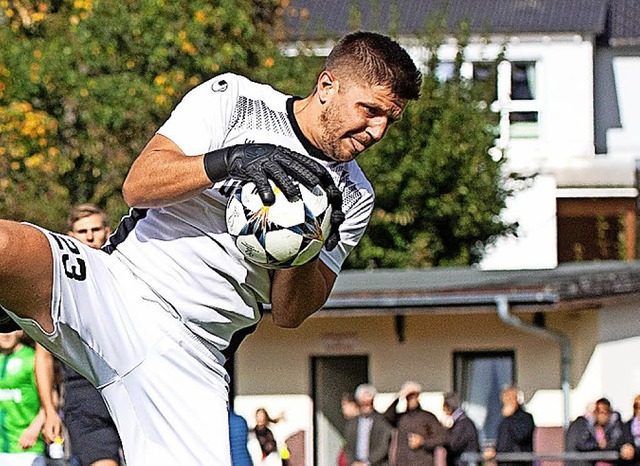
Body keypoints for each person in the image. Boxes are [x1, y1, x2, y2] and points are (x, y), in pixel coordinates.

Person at [0, 30, 422, 465]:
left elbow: (291, 313)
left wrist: (306, 245)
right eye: (370, 111)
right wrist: (231, 159)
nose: (378, 131)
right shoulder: (235, 99)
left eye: (390, 119)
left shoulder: (353, 195)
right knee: (6, 246)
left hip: (195, 353)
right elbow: (138, 186)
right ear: (327, 85)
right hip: (116, 288)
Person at [34, 204, 123, 466]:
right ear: (70, 236)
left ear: (108, 232)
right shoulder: (56, 285)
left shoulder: (125, 273)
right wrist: (50, 411)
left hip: (132, 389)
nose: (90, 236)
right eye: (82, 231)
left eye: (96, 229)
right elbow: (44, 355)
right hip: (85, 398)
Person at [0, 330, 46, 465]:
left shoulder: (32, 358)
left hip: (26, 448)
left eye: (10, 328)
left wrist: (36, 427)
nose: (6, 334)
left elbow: (52, 398)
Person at [383, 381, 448, 466]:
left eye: (414, 396)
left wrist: (423, 442)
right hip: (402, 462)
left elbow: (442, 438)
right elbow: (387, 416)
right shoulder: (401, 418)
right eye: (409, 397)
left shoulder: (427, 417)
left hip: (422, 462)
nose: (412, 399)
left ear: (418, 397)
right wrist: (399, 396)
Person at [484, 386, 535, 466]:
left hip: (518, 462)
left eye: (510, 399)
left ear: (516, 400)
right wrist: (494, 451)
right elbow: (503, 441)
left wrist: (510, 417)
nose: (507, 403)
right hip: (504, 462)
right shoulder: (504, 421)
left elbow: (520, 436)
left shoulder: (526, 418)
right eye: (505, 400)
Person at [344, 383, 393, 466]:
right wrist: (353, 462)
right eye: (363, 403)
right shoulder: (352, 423)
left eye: (368, 403)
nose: (365, 406)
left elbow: (383, 446)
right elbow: (348, 446)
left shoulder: (382, 421)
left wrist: (366, 463)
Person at [575, 397, 632, 466]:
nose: (601, 416)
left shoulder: (616, 427)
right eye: (598, 412)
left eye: (604, 412)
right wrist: (597, 444)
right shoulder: (590, 427)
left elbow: (617, 443)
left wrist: (606, 444)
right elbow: (581, 444)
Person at [442, 392, 480, 466]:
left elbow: (453, 445)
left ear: (449, 407)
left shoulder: (462, 423)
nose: (443, 409)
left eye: (444, 406)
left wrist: (444, 434)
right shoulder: (463, 422)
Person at [338, 392, 361, 466]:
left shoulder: (361, 424)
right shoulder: (350, 424)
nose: (343, 409)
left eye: (345, 405)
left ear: (353, 405)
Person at [621, 395, 640, 465]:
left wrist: (634, 451)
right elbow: (620, 441)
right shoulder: (627, 425)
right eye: (638, 407)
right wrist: (624, 449)